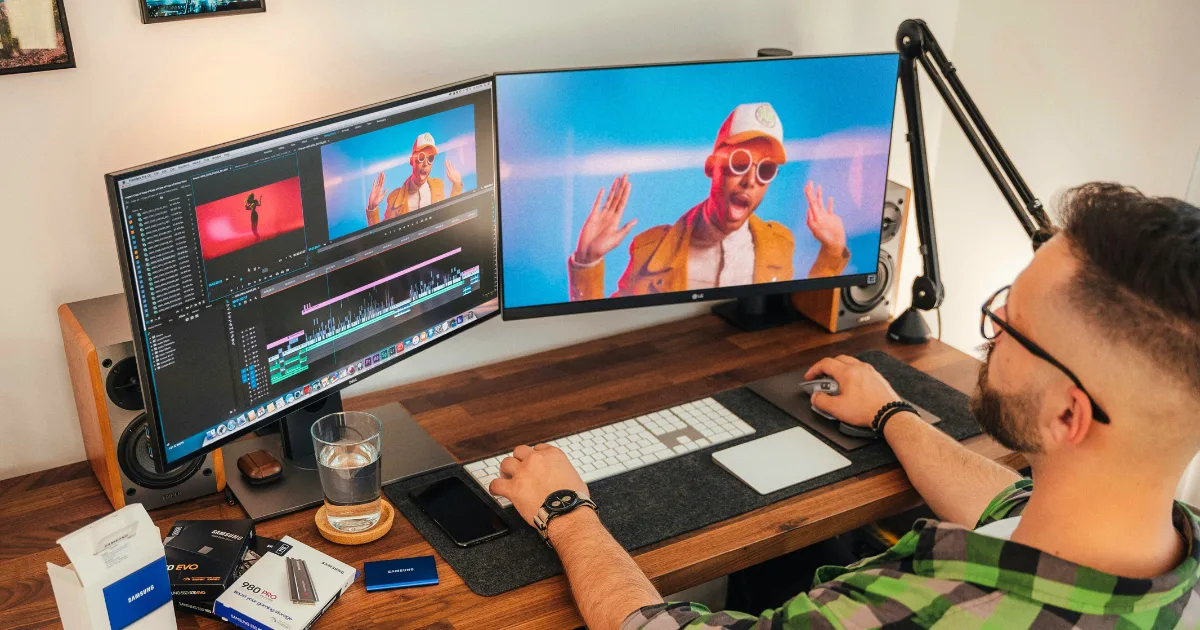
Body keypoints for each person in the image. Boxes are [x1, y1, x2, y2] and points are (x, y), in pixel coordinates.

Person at [491, 182, 1200, 628]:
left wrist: (566, 510)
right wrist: (893, 414)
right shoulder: (1167, 544)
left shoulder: (925, 612)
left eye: (1009, 322)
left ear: (1068, 417)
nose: (992, 334)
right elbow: (1012, 508)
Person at [568, 103, 850, 302]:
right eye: (740, 163)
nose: (750, 180)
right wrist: (587, 262)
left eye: (765, 170)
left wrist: (832, 251)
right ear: (710, 166)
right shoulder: (650, 251)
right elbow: (608, 331)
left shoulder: (780, 244)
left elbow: (795, 318)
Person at [365, 132, 463, 226]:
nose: (425, 164)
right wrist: (372, 209)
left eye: (430, 158)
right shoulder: (394, 199)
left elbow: (449, 216)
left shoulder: (438, 185)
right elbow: (384, 236)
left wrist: (457, 185)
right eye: (421, 157)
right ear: (412, 161)